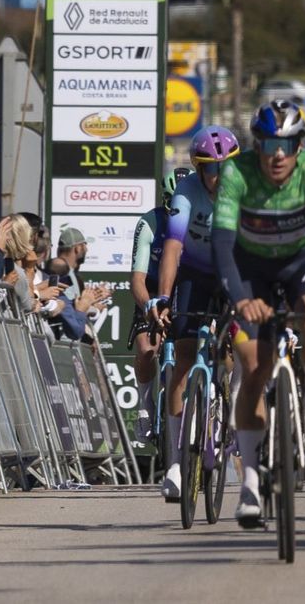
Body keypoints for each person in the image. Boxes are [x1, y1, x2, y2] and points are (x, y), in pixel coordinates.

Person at [211, 100, 305, 527]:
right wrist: (238, 298)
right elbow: (221, 245)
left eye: (286, 145)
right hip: (251, 269)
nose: (277, 155)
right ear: (257, 145)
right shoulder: (237, 172)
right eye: (268, 144)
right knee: (253, 367)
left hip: (300, 263)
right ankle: (250, 482)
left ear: (300, 146)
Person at [153, 127, 239, 501]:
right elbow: (172, 247)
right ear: (199, 169)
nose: (218, 177)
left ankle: (231, 412)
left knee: (240, 346)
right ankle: (175, 462)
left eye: (225, 168)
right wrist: (162, 297)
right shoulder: (186, 192)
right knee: (185, 357)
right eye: (211, 169)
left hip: (233, 271)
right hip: (196, 273)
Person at [129, 168, 187, 445]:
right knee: (146, 348)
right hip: (153, 288)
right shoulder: (150, 222)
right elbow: (137, 279)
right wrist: (148, 304)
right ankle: (145, 404)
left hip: (186, 287)